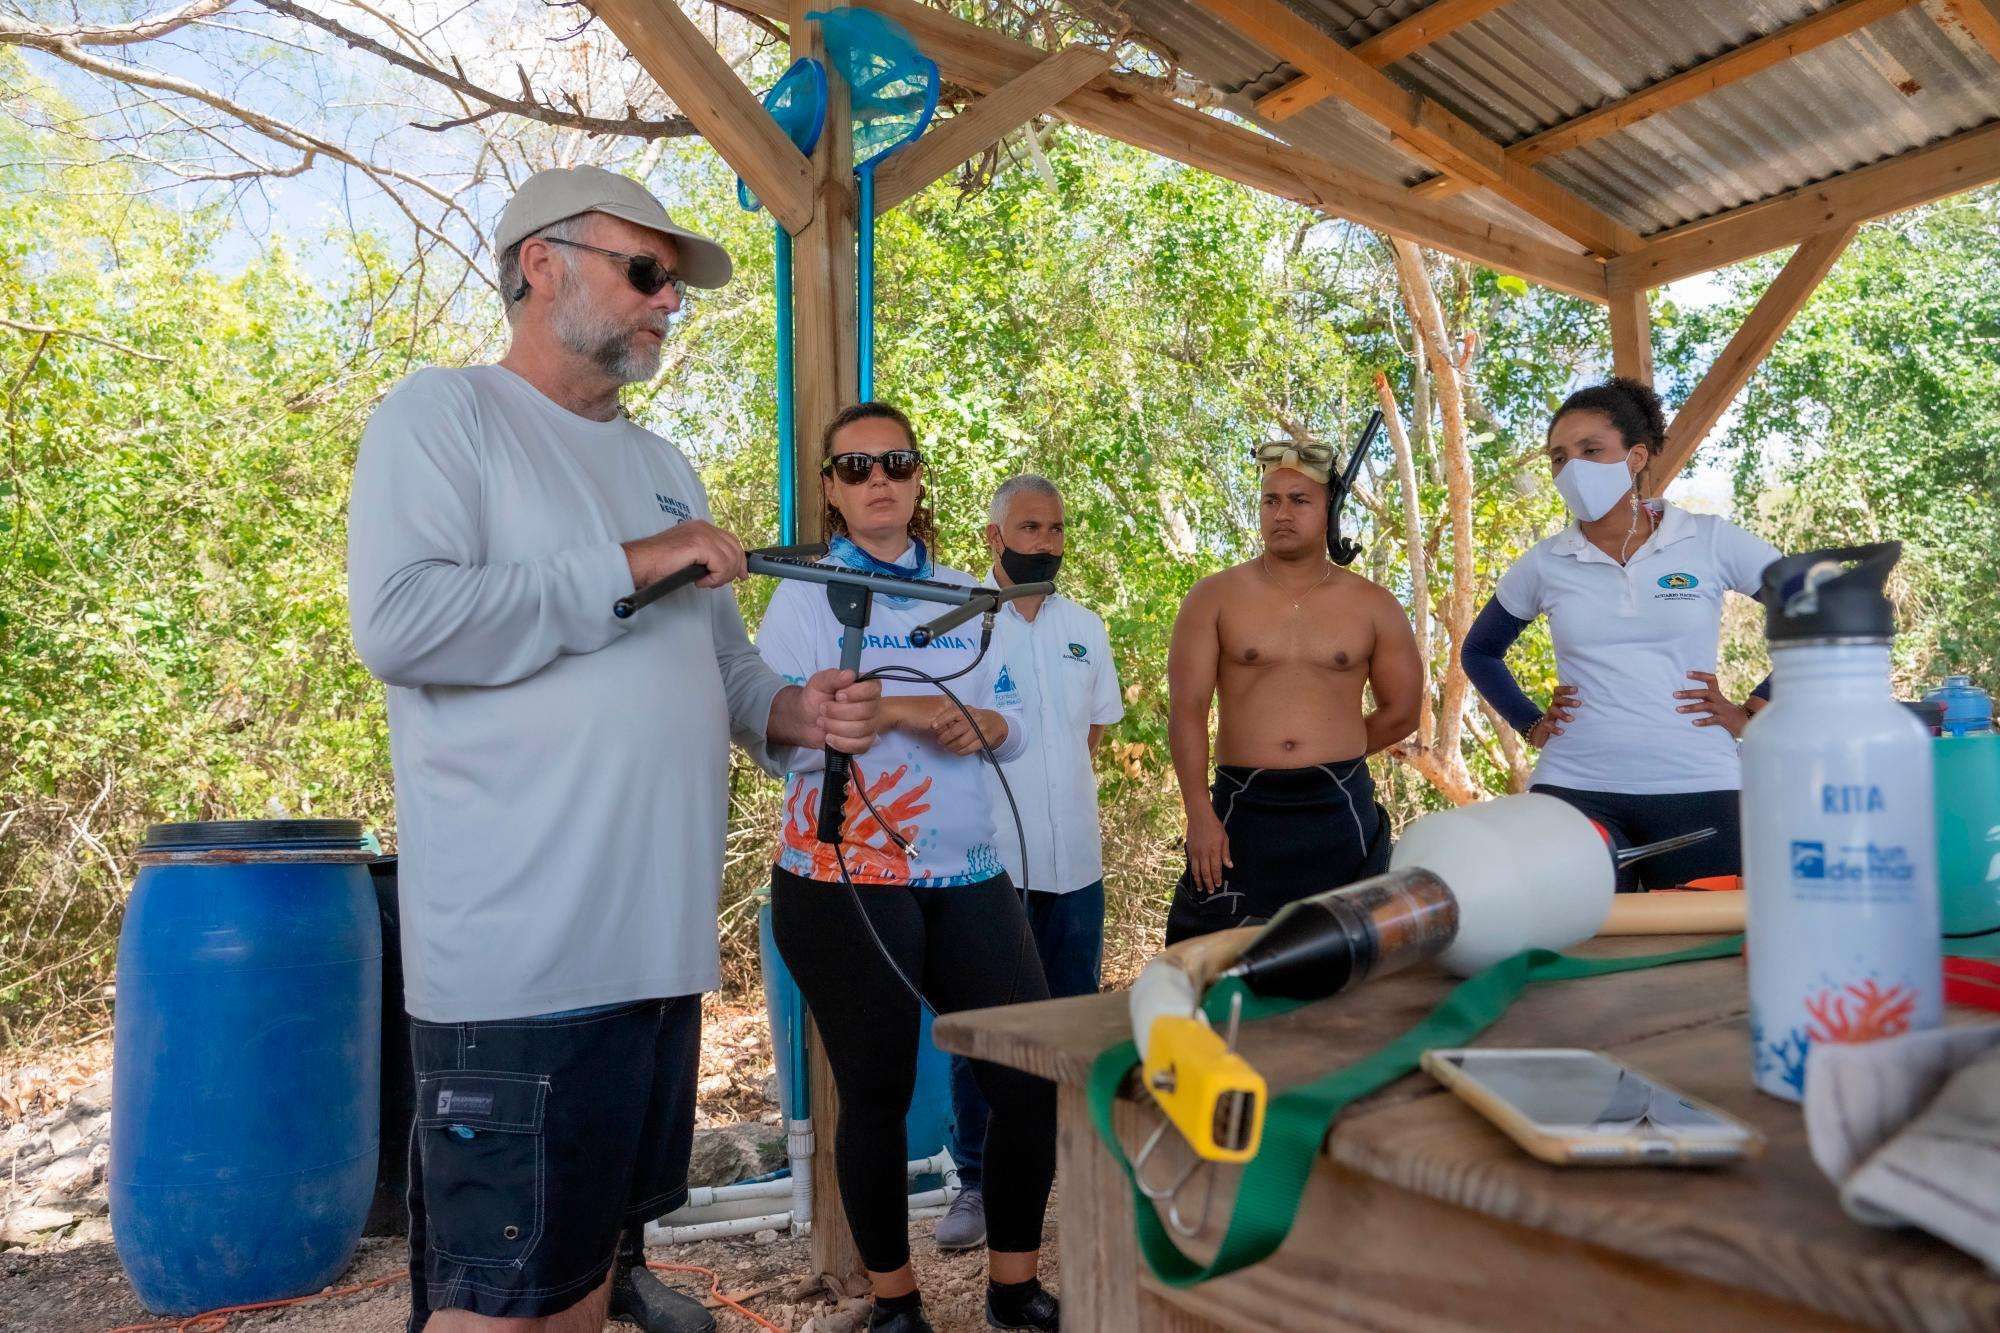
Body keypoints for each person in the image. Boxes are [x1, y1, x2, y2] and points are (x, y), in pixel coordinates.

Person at [346, 165, 883, 1333]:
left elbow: (726, 675)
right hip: (519, 962)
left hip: (653, 957)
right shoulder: (444, 415)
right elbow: (401, 625)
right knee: (496, 1309)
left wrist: (798, 712)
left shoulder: (659, 467)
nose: (667, 302)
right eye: (646, 272)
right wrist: (638, 561)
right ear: (541, 264)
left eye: (672, 285)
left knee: (583, 1286)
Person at [757, 403, 1061, 1333]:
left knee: (1027, 1079)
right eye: (854, 469)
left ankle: (1013, 1290)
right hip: (841, 877)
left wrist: (983, 725)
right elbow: (777, 735)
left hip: (967, 873)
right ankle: (895, 1303)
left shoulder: (975, 597)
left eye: (895, 461)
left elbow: (1013, 726)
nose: (877, 479)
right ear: (830, 489)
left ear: (920, 476)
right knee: (878, 1091)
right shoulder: (802, 594)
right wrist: (886, 714)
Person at [1462, 377, 1781, 890]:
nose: (1572, 468)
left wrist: (1753, 711)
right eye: (1560, 457)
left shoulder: (1708, 540)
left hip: (1700, 784)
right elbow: (1479, 652)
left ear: (1634, 457)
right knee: (1577, 953)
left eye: (1591, 450)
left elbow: (1821, 615)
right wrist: (1530, 723)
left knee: (1701, 955)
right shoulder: (1547, 562)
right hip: (1572, 787)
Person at [934, 475, 1124, 1253]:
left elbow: (1092, 735)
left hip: (1076, 864)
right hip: (987, 869)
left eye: (1055, 527)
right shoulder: (962, 624)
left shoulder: (1087, 627)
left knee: (1070, 1022)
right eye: (1030, 526)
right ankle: (974, 1182)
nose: (1045, 541)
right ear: (993, 535)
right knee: (988, 1029)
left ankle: (1067, 1171)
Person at [1164, 442, 1423, 944]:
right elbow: (1187, 708)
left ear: (1329, 508)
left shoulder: (1373, 605)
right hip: (1242, 808)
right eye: (1270, 500)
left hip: (1340, 809)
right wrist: (1199, 812)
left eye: (1299, 500)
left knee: (1352, 966)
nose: (1282, 512)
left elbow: (1402, 711)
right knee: (1217, 966)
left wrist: (1332, 752)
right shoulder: (1213, 597)